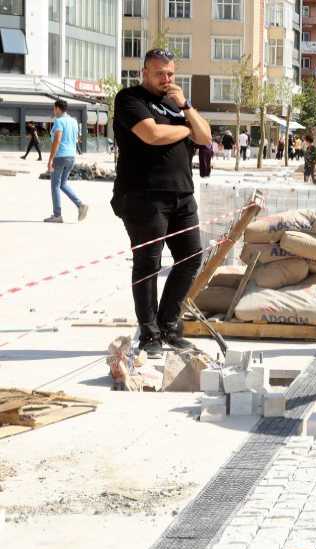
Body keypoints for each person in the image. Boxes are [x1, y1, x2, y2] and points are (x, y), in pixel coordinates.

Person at [111, 47, 212, 357]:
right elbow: (151, 134)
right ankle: (149, 333)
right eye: (159, 74)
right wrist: (185, 129)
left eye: (170, 73)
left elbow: (205, 136)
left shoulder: (176, 104)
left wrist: (186, 106)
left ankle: (168, 325)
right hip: (144, 196)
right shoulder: (130, 99)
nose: (166, 79)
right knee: (148, 265)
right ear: (144, 72)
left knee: (191, 258)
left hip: (182, 194)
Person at [44, 100, 89, 224]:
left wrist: (50, 159)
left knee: (54, 186)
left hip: (60, 156)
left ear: (58, 109)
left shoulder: (59, 121)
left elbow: (57, 140)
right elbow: (76, 139)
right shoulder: (73, 121)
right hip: (71, 156)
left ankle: (57, 215)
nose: (53, 111)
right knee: (63, 184)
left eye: (54, 109)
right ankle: (80, 205)